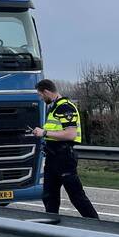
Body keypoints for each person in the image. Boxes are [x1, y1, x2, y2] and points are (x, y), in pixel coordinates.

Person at [31, 79, 99, 219]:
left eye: (40, 95)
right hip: (52, 157)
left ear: (47, 92)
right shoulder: (54, 108)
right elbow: (55, 131)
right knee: (49, 195)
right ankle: (52, 228)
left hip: (64, 157)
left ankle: (98, 228)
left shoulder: (65, 107)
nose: (40, 98)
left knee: (76, 196)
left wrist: (44, 133)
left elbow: (70, 134)